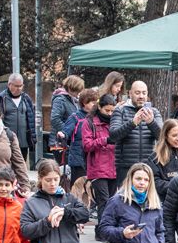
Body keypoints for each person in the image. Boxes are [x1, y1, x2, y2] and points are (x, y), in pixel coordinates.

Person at [109, 80, 162, 185]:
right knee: (125, 200)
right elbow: (113, 136)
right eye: (137, 93)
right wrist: (133, 123)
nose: (141, 96)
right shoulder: (120, 111)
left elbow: (162, 137)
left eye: (144, 93)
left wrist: (151, 122)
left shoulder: (154, 112)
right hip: (125, 167)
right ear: (130, 93)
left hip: (148, 166)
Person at [83, 91, 117, 223]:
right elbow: (87, 145)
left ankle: (104, 229)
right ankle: (103, 231)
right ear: (99, 107)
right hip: (97, 168)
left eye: (112, 111)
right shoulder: (89, 122)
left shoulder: (115, 121)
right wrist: (105, 140)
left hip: (114, 167)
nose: (109, 114)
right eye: (107, 110)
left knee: (112, 201)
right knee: (104, 200)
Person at [0, 73, 38, 162]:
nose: (19, 88)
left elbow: (31, 119)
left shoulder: (26, 99)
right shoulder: (0, 98)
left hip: (23, 142)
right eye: (16, 86)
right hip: (5, 141)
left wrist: (32, 138)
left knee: (21, 167)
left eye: (21, 86)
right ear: (9, 85)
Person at [52, 75, 89, 187]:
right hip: (61, 142)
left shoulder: (73, 100)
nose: (79, 92)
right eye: (77, 90)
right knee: (67, 176)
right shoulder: (60, 99)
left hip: (70, 142)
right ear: (72, 88)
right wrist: (68, 131)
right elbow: (55, 118)